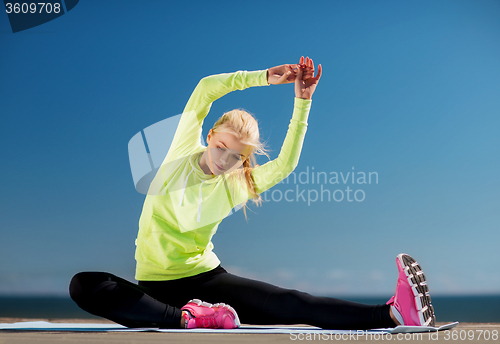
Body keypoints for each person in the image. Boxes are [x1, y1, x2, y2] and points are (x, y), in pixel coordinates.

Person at [69, 56, 435, 330]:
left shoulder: (234, 185)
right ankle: (188, 319)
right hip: (154, 287)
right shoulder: (180, 151)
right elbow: (205, 88)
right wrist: (262, 77)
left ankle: (394, 314)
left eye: (236, 157)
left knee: (292, 303)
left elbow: (286, 163)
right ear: (209, 136)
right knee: (85, 285)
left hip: (206, 280)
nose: (225, 161)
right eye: (221, 148)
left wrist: (302, 101)